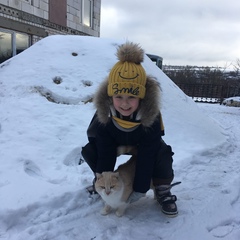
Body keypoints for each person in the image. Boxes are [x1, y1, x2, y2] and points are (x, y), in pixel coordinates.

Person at [81, 42, 180, 217]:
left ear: (141, 97)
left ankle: (161, 188)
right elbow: (105, 147)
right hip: (116, 143)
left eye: (132, 97)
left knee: (161, 152)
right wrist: (103, 179)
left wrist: (140, 188)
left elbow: (148, 152)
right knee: (91, 149)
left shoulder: (151, 116)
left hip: (142, 145)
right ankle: (105, 184)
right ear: (111, 96)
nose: (125, 103)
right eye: (118, 96)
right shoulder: (105, 114)